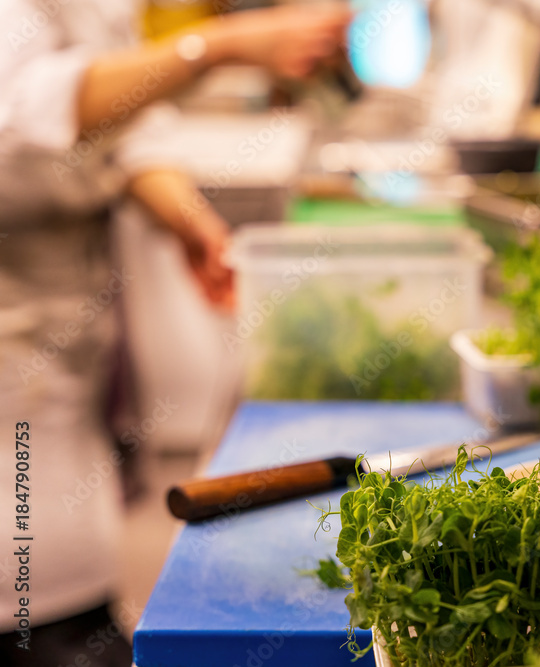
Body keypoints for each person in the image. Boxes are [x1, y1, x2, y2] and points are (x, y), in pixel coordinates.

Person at [0, 2, 349, 665]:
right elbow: (25, 109)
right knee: (29, 586)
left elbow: (126, 130)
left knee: (70, 564)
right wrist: (217, 46)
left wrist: (189, 220)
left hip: (67, 350)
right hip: (12, 350)